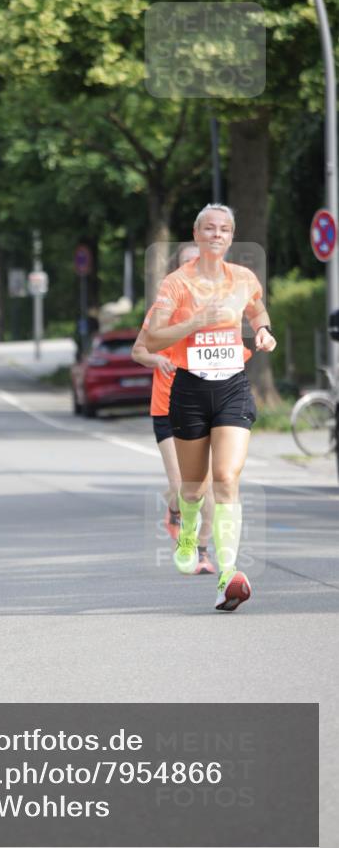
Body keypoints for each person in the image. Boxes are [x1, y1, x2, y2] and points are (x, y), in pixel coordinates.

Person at [145, 204, 277, 611]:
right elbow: (151, 340)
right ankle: (187, 533)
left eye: (224, 229)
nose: (216, 234)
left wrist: (264, 331)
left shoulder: (243, 278)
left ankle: (228, 573)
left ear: (231, 237)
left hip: (233, 387)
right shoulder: (176, 284)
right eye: (209, 228)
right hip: (189, 389)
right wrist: (197, 320)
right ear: (197, 234)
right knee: (193, 486)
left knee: (226, 477)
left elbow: (256, 308)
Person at [132, 242, 215, 575]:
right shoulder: (163, 310)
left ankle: (203, 549)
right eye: (186, 264)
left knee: (206, 484)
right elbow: (139, 350)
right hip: (167, 406)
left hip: (208, 404)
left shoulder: (220, 310)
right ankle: (182, 526)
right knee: (185, 483)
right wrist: (157, 359)